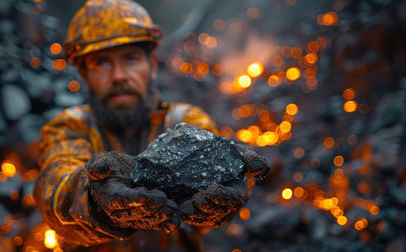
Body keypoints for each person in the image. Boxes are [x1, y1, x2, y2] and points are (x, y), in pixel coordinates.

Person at [34, 0, 270, 251]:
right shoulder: (69, 127)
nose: (119, 76)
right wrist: (93, 198)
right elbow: (55, 190)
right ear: (83, 75)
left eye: (131, 58)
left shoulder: (186, 120)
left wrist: (232, 177)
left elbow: (224, 182)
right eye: (101, 63)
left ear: (152, 65)